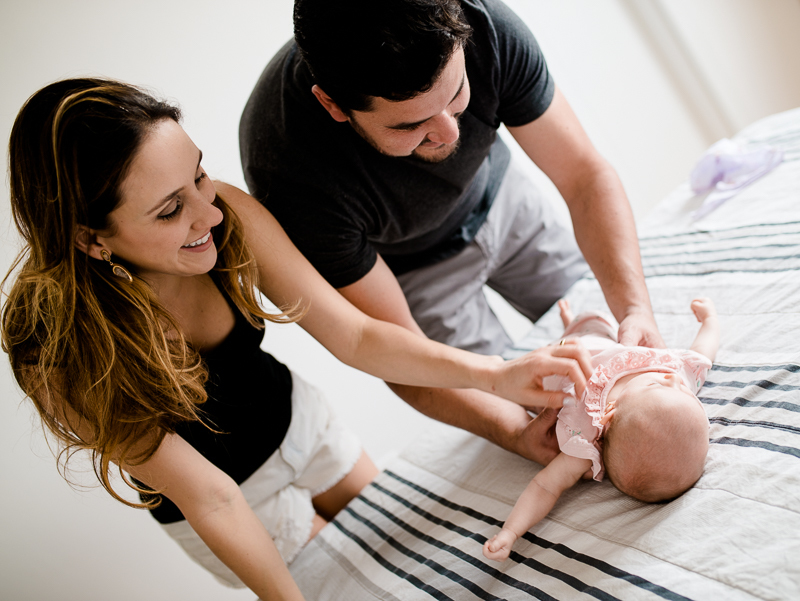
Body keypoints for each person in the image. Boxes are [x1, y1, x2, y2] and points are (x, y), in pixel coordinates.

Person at [1, 78, 596, 600]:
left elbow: (357, 335)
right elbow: (211, 498)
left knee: (427, 550)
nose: (208, 214)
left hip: (300, 425)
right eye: (168, 210)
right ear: (89, 239)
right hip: (229, 500)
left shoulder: (224, 211)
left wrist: (493, 373)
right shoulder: (57, 347)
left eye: (200, 174)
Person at [239, 0, 664, 468]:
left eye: (456, 94)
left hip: (505, 199)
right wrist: (514, 432)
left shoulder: (486, 24)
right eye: (411, 124)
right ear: (333, 105)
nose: (447, 133)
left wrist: (635, 307)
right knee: (545, 417)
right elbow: (393, 353)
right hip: (412, 276)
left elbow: (585, 178)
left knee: (615, 341)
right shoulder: (289, 170)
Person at [483, 298, 719, 562]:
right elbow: (702, 354)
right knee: (596, 323)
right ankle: (569, 323)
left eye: (657, 385)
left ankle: (522, 352)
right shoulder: (677, 381)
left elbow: (545, 487)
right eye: (687, 392)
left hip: (548, 370)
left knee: (516, 386)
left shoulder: (583, 441)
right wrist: (709, 321)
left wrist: (510, 532)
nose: (673, 379)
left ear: (609, 415)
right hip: (600, 341)